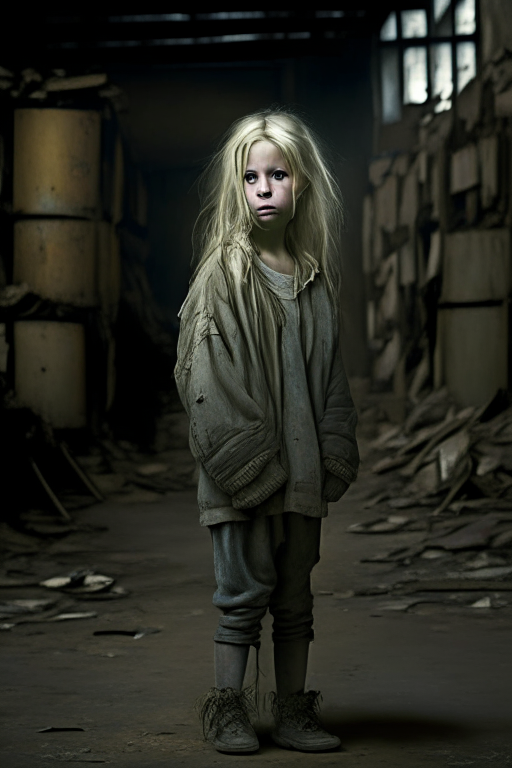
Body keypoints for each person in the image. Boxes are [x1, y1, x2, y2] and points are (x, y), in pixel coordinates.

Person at [174, 108, 359, 754]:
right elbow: (206, 377)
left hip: (303, 475)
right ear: (237, 184)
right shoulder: (224, 276)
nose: (263, 187)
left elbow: (331, 379)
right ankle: (227, 708)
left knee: (294, 597)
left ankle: (291, 711)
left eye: (277, 174)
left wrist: (332, 453)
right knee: (241, 595)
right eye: (251, 176)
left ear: (301, 182)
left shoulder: (312, 281)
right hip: (243, 479)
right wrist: (246, 464)